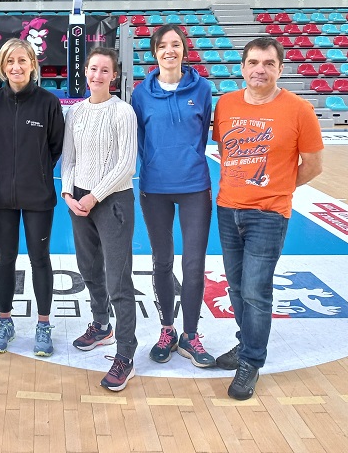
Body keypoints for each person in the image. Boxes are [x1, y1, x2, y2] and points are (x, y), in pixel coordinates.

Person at [211, 36, 324, 401]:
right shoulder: (226, 104)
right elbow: (226, 151)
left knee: (257, 292)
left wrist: (278, 190)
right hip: (228, 209)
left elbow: (313, 166)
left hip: (269, 214)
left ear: (280, 69)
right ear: (242, 67)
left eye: (268, 64)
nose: (260, 70)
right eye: (254, 63)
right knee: (236, 287)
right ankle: (246, 344)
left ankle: (251, 362)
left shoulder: (298, 110)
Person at [130, 24, 216, 368]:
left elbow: (205, 134)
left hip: (195, 186)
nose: (170, 50)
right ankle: (167, 330)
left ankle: (190, 335)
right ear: (154, 52)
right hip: (155, 189)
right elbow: (139, 139)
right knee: (162, 262)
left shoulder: (203, 89)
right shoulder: (140, 94)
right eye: (163, 45)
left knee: (194, 265)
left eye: (176, 45)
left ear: (184, 50)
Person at [61, 46, 138, 391]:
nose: (97, 75)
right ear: (86, 72)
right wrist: (68, 194)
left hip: (112, 202)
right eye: (93, 69)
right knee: (89, 268)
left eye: (104, 70)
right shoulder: (75, 113)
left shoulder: (123, 112)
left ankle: (126, 354)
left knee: (118, 278)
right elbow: (68, 159)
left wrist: (93, 196)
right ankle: (101, 325)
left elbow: (125, 166)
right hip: (78, 200)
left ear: (114, 76)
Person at [0, 38, 64, 357]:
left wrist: (38, 172)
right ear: (2, 67)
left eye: (22, 60)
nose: (16, 67)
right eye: (9, 62)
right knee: (5, 259)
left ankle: (43, 324)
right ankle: (5, 322)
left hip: (38, 197)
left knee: (39, 259)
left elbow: (56, 147)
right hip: (0, 197)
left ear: (33, 64)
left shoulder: (48, 102)